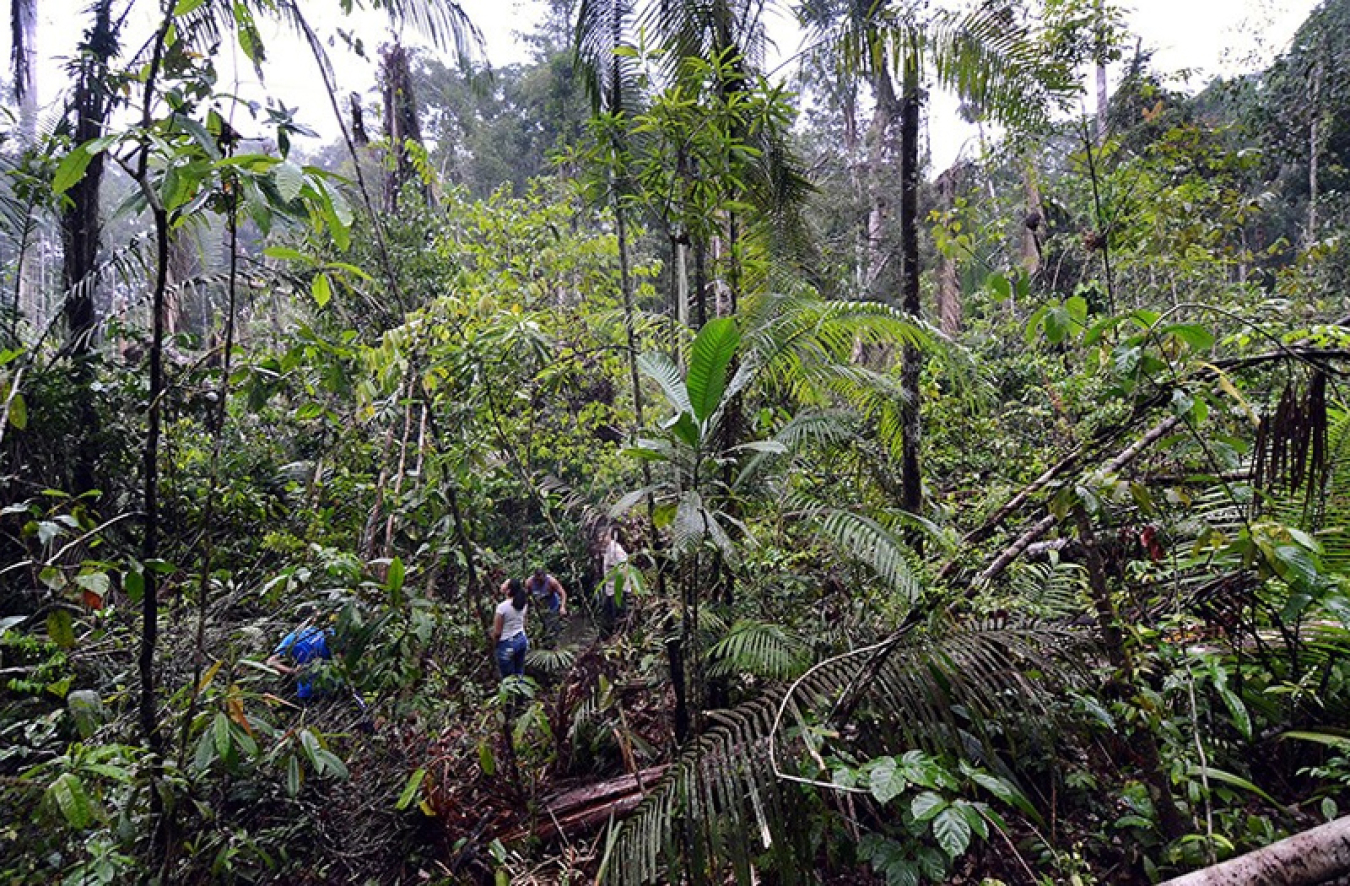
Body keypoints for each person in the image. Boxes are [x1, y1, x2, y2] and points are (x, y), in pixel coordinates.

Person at [267, 620, 334, 702]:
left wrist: (293, 671)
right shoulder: (323, 630)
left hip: (313, 683)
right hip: (322, 681)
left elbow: (271, 661)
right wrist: (294, 671)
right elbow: (271, 661)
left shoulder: (291, 639)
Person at [492, 579, 530, 679]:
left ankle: (511, 694)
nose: (501, 584)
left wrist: (495, 644)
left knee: (508, 678)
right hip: (521, 639)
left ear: (508, 590)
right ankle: (521, 693)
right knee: (519, 673)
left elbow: (497, 632)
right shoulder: (523, 604)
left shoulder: (502, 607)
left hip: (507, 642)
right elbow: (524, 622)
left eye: (504, 583)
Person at [524, 566, 568, 643]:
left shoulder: (552, 582)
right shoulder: (529, 582)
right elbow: (526, 598)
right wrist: (526, 612)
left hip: (552, 605)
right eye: (537, 580)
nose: (539, 582)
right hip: (540, 608)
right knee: (543, 626)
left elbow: (563, 593)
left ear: (544, 576)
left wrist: (562, 607)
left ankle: (556, 643)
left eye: (541, 580)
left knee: (553, 625)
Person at [601, 529, 630, 634]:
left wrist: (620, 590)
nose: (602, 540)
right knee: (608, 614)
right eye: (600, 538)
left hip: (618, 589)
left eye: (603, 537)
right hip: (610, 589)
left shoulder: (617, 551)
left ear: (609, 536)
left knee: (619, 615)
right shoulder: (608, 550)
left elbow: (624, 569)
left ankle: (620, 638)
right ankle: (609, 637)